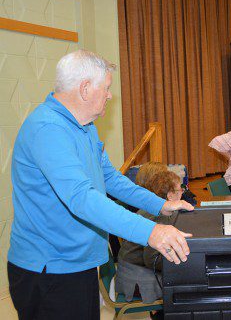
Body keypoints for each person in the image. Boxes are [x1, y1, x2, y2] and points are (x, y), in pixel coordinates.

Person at [7, 50, 194, 320]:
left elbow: (110, 178)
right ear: (85, 89)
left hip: (79, 263)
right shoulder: (48, 129)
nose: (109, 95)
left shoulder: (85, 126)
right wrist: (151, 232)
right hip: (49, 270)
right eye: (105, 88)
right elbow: (82, 198)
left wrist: (161, 204)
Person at [116, 166, 185, 319]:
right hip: (136, 280)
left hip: (128, 271)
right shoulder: (161, 217)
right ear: (170, 195)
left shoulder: (152, 210)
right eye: (181, 189)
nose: (183, 192)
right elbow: (152, 260)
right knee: (185, 283)